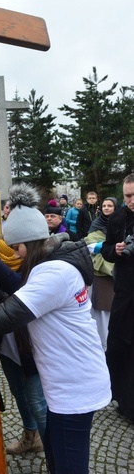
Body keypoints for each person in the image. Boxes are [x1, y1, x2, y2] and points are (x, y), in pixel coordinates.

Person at [0, 182, 111, 474]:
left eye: (17, 247)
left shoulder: (53, 273)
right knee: (55, 455)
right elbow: (23, 298)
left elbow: (1, 318)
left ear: (32, 241)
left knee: (69, 465)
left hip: (74, 388)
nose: (17, 253)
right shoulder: (55, 264)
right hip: (68, 383)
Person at [0, 234, 46, 456]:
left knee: (37, 402)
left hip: (29, 347)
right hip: (7, 346)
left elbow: (17, 291)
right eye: (11, 248)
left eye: (18, 248)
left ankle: (55, 455)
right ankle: (30, 437)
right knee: (19, 394)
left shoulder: (38, 268)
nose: (15, 253)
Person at [101, 174, 134, 422]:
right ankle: (120, 396)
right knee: (117, 346)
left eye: (133, 195)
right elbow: (106, 249)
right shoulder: (117, 218)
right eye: (126, 196)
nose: (129, 200)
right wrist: (116, 250)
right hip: (123, 291)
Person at [84, 197, 118, 350]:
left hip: (120, 276)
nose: (106, 208)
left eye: (110, 206)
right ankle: (103, 346)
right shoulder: (96, 225)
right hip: (102, 275)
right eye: (104, 205)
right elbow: (89, 244)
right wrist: (108, 248)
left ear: (115, 208)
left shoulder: (122, 224)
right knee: (102, 313)